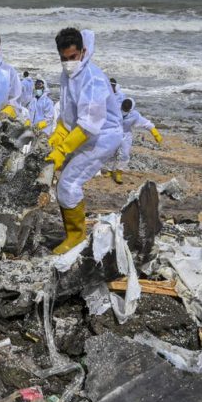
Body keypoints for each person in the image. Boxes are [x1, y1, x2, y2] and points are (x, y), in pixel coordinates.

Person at [45, 28, 123, 254]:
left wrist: (63, 150)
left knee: (68, 183)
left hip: (102, 136)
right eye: (64, 58)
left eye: (73, 57)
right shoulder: (67, 75)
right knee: (64, 181)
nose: (69, 62)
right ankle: (72, 233)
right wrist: (57, 136)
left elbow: (89, 124)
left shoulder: (92, 78)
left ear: (83, 51)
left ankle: (77, 237)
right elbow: (68, 112)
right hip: (81, 133)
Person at [107, 98, 162, 184]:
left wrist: (155, 133)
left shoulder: (135, 115)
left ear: (130, 109)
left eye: (126, 110)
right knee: (111, 152)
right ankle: (109, 170)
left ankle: (119, 173)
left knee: (125, 154)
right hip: (114, 133)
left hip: (126, 135)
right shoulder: (115, 109)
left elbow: (146, 124)